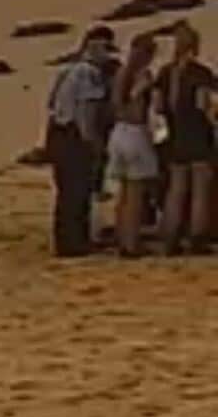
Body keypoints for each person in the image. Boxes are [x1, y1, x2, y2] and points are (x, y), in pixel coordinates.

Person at [46, 29, 112, 257]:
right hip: (73, 136)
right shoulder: (89, 74)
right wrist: (94, 143)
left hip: (57, 133)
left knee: (66, 192)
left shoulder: (67, 70)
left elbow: (52, 103)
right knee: (77, 191)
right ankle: (75, 242)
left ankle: (66, 240)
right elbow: (86, 113)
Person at [156, 22, 216, 256]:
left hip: (176, 133)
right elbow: (204, 105)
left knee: (177, 188)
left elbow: (159, 107)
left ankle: (170, 237)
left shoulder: (166, 72)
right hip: (198, 134)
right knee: (200, 188)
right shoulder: (200, 73)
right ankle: (196, 236)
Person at [105, 33, 158, 258]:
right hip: (135, 133)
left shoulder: (120, 74)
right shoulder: (142, 76)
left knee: (123, 193)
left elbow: (115, 107)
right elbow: (136, 112)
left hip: (117, 134)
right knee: (136, 194)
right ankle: (131, 242)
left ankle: (121, 238)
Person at [86, 26, 123, 202]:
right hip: (98, 114)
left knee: (100, 153)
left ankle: (95, 187)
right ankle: (95, 188)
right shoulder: (88, 68)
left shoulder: (110, 67)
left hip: (102, 115)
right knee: (98, 152)